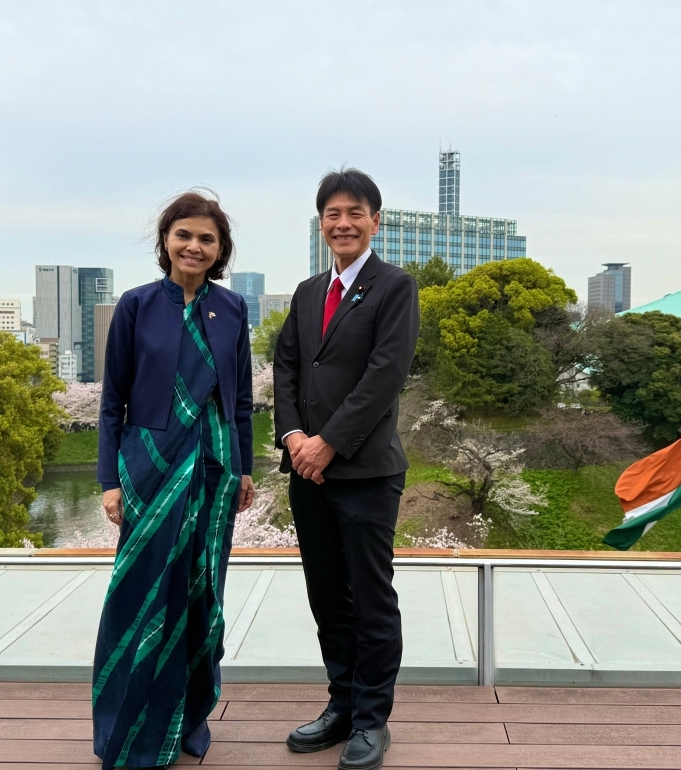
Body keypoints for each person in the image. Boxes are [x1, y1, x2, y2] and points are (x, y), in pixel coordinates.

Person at [92, 191, 255, 769]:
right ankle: (128, 730)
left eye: (207, 238)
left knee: (201, 591)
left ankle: (186, 720)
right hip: (150, 465)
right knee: (141, 593)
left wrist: (244, 468)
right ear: (166, 240)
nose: (194, 246)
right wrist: (109, 479)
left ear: (220, 249)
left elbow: (241, 402)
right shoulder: (136, 305)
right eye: (184, 234)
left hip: (214, 467)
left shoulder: (232, 308)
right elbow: (111, 401)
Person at [274, 168, 419, 770]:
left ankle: (371, 719)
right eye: (332, 214)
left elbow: (385, 375)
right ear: (321, 224)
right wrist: (294, 438)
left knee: (370, 597)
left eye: (355, 213)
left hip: (365, 472)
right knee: (327, 596)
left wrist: (329, 443)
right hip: (308, 473)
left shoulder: (395, 287)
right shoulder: (308, 292)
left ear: (374, 222)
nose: (343, 223)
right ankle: (341, 703)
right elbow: (286, 367)